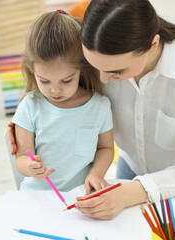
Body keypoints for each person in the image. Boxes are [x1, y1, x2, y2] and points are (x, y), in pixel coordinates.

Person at [8, 0, 175, 219]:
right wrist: (22, 127)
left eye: (116, 72)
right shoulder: (94, 49)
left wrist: (129, 194)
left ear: (152, 45)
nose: (102, 79)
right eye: (94, 67)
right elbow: (52, 66)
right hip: (135, 162)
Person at [12, 10, 114, 193]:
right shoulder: (30, 106)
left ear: (82, 68)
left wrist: (96, 175)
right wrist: (28, 166)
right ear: (32, 69)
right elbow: (21, 157)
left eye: (66, 80)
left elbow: (105, 148)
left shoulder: (100, 107)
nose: (55, 90)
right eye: (44, 81)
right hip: (38, 196)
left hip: (81, 195)